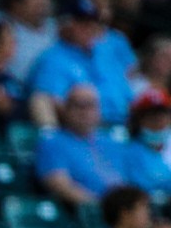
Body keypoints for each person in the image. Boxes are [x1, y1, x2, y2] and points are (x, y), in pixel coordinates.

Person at [36, 83, 170, 204]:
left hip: (128, 211)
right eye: (79, 105)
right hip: (92, 216)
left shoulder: (112, 142)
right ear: (65, 109)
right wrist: (104, 207)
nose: (85, 112)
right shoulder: (53, 143)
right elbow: (59, 184)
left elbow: (139, 180)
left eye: (91, 106)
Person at [28, 0, 135, 128]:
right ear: (65, 24)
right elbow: (49, 101)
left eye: (93, 22)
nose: (90, 28)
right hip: (86, 131)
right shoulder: (53, 59)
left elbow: (127, 95)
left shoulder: (104, 53)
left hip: (124, 127)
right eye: (82, 23)